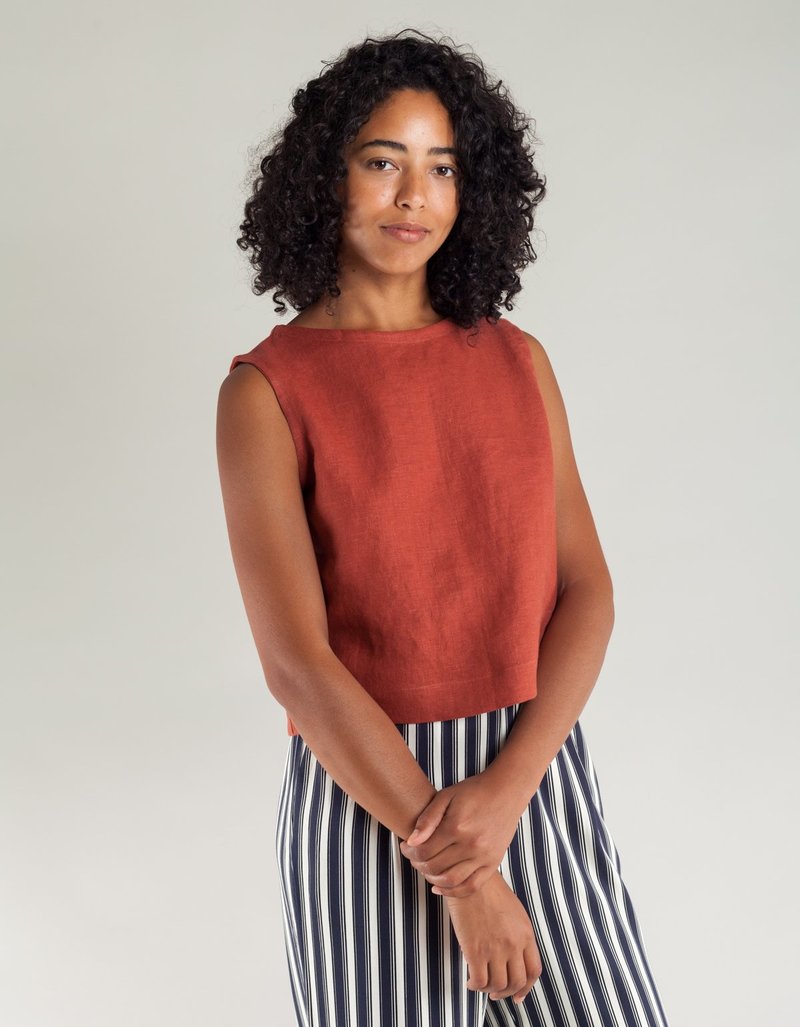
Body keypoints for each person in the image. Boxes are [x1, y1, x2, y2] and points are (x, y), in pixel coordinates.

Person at [216, 27, 671, 1027]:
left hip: (533, 781)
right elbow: (298, 667)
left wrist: (509, 790)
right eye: (382, 162)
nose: (413, 195)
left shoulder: (518, 361)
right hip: (365, 803)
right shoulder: (266, 392)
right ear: (324, 177)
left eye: (442, 167)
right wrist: (464, 874)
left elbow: (586, 590)